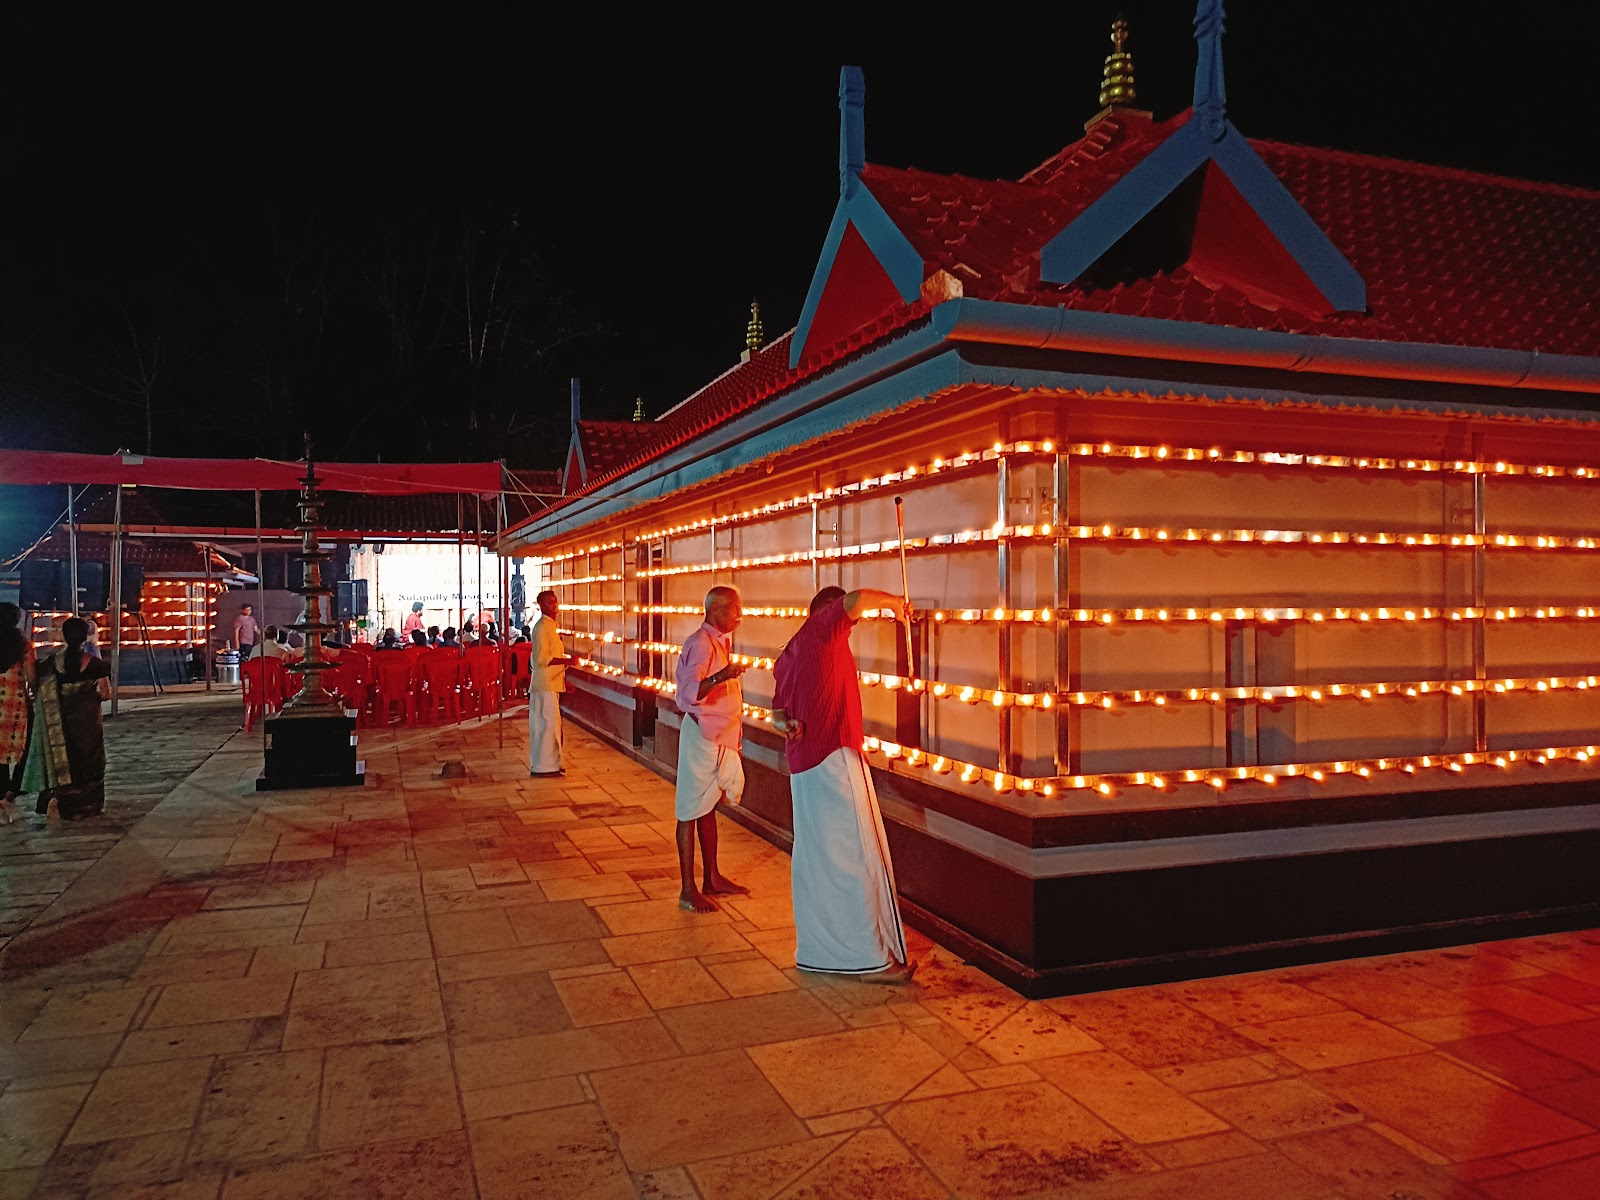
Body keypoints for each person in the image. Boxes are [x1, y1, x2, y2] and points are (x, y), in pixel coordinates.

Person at [771, 586, 916, 984]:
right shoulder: (822, 630)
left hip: (806, 764)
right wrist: (895, 606)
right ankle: (866, 958)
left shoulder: (792, 651)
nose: (851, 626)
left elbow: (777, 711)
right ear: (826, 612)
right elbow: (856, 598)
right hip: (831, 757)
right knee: (853, 857)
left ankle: (823, 951)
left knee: (819, 859)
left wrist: (788, 724)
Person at [673, 585, 750, 913]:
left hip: (718, 738)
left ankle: (712, 878)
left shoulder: (718, 642)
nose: (740, 615)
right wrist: (721, 677)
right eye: (735, 609)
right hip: (701, 739)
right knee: (689, 810)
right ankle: (687, 889)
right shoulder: (702, 644)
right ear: (716, 609)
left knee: (707, 807)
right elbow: (690, 693)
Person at [22, 616, 112, 820]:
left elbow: (35, 681)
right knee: (91, 761)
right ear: (85, 637)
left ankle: (61, 799)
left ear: (64, 636)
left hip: (62, 719)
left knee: (67, 759)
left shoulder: (52, 663)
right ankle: (87, 804)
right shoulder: (94, 663)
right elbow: (106, 693)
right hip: (88, 721)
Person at [528, 590, 574, 777]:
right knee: (546, 726)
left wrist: (565, 670)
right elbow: (541, 659)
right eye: (548, 602)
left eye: (555, 601)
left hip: (553, 682)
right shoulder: (541, 628)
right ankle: (543, 766)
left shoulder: (551, 627)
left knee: (552, 725)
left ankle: (553, 764)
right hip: (544, 683)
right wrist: (567, 660)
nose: (554, 605)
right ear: (541, 606)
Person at [0, 604, 35, 824]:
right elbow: (31, 676)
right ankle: (11, 791)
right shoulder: (22, 644)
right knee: (24, 748)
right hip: (15, 704)